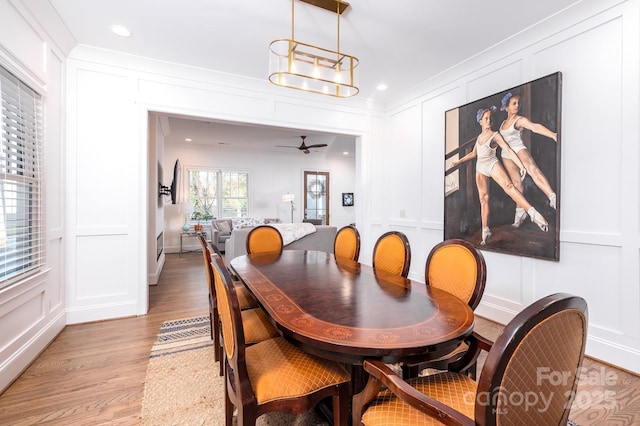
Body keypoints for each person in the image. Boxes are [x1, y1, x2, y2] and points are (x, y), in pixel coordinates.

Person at [451, 107, 548, 245]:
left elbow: (508, 149)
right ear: (480, 121)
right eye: (486, 118)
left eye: (490, 118)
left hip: (492, 164)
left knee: (509, 186)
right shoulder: (479, 138)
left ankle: (532, 213)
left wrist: (521, 165)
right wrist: (458, 161)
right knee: (483, 199)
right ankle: (485, 230)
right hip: (480, 167)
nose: (489, 121)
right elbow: (474, 154)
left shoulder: (495, 135)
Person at [499, 92, 558, 227]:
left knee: (533, 170)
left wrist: (553, 135)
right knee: (516, 183)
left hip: (518, 149)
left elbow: (534, 127)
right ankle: (520, 212)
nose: (517, 105)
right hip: (506, 154)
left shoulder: (519, 120)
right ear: (506, 107)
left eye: (518, 103)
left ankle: (552, 197)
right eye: (514, 103)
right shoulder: (502, 123)